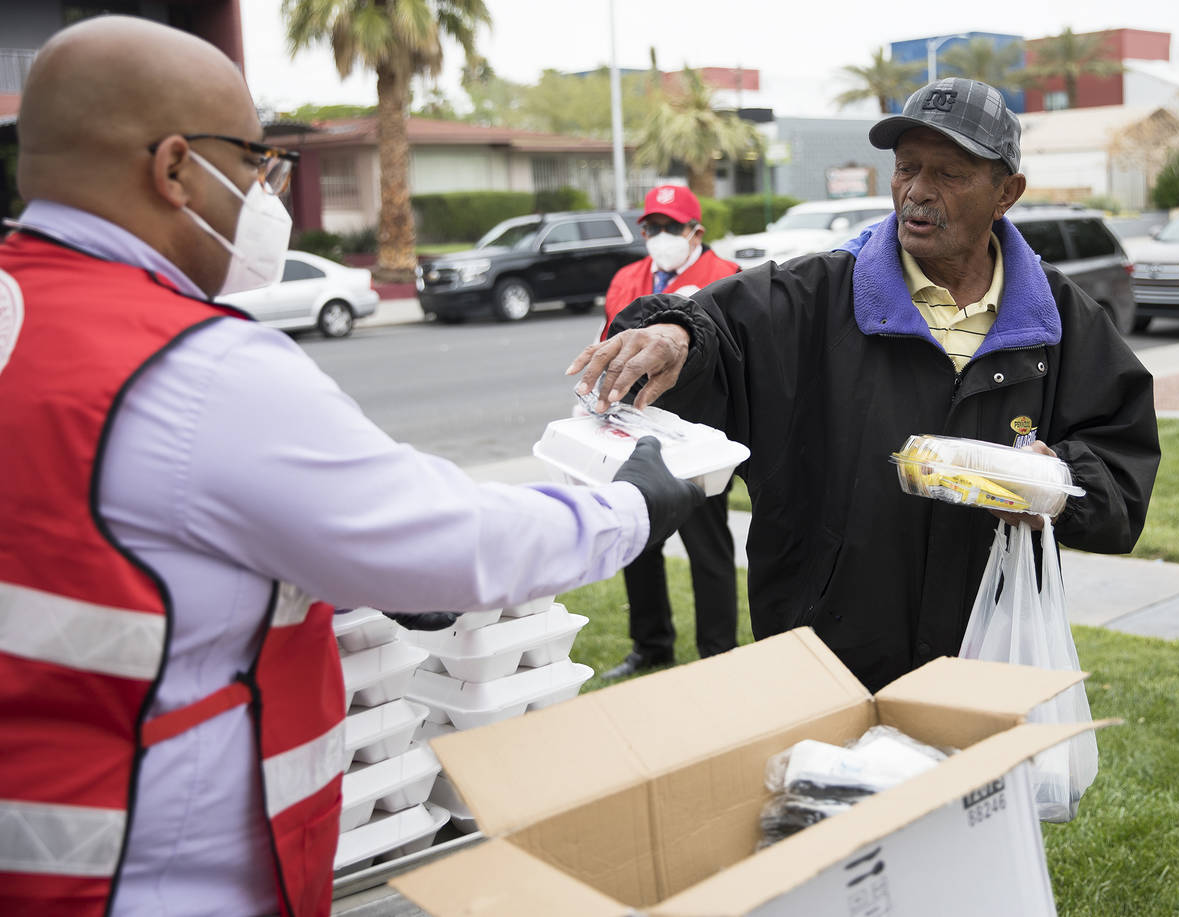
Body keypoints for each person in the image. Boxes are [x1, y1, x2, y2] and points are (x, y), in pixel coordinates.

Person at [0, 17, 701, 917]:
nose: (264, 192)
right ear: (174, 168)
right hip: (144, 873)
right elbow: (447, 542)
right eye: (254, 162)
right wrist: (631, 507)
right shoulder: (195, 371)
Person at [568, 77, 1160, 694]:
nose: (918, 192)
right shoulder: (818, 298)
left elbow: (1120, 472)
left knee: (974, 790)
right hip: (824, 668)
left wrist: (1055, 481)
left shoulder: (1061, 321)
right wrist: (672, 337)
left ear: (1006, 192)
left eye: (950, 174)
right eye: (907, 168)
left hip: (988, 662)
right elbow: (713, 326)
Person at [597, 186, 741, 679]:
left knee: (707, 543)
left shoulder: (724, 279)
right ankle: (651, 644)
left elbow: (735, 361)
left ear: (695, 232)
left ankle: (718, 652)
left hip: (698, 433)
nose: (660, 237)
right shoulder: (625, 279)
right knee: (638, 535)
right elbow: (607, 344)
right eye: (652, 228)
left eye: (671, 228)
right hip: (634, 427)